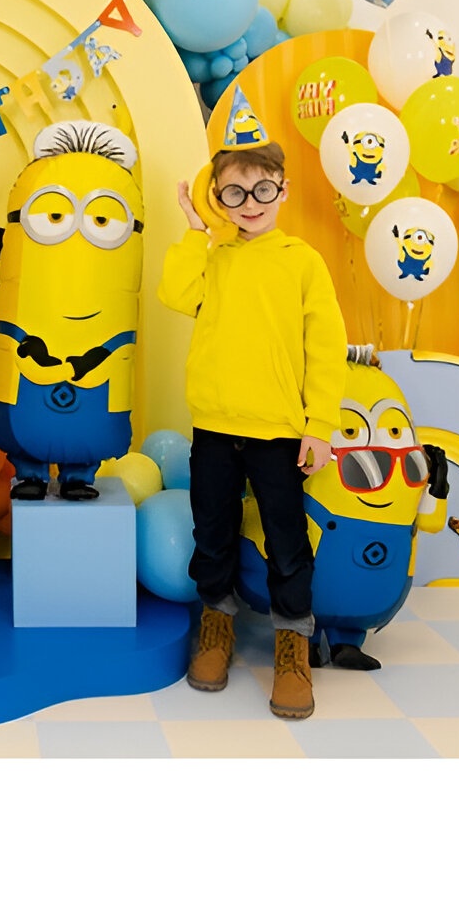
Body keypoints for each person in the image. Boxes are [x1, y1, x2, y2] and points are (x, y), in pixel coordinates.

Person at [157, 91, 347, 720]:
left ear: (283, 190)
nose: (250, 203)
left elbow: (326, 350)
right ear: (218, 197)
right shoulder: (212, 259)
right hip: (215, 426)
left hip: (280, 432)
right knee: (211, 534)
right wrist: (195, 231)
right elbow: (174, 294)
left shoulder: (302, 262)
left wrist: (319, 426)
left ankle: (293, 644)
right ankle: (217, 625)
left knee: (288, 542)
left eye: (262, 189)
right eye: (234, 192)